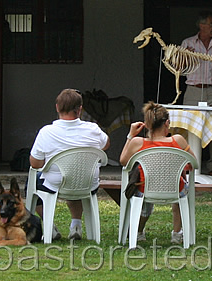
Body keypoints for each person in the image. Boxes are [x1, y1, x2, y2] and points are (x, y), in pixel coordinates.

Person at [29, 88, 110, 241]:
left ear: (57, 107)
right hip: (87, 183)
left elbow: (35, 163)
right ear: (80, 109)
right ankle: (76, 225)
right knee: (75, 178)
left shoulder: (46, 132)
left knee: (32, 181)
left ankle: (50, 226)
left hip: (56, 184)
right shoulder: (92, 128)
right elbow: (105, 145)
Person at [120, 101, 195, 244]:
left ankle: (139, 231)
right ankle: (177, 233)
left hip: (144, 189)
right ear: (167, 123)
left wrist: (130, 136)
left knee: (143, 198)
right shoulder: (178, 140)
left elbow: (123, 161)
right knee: (180, 190)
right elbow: (193, 163)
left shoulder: (137, 142)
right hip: (175, 189)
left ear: (146, 124)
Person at [180, 11, 212, 175]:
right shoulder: (187, 43)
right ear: (202, 26)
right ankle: (188, 161)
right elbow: (179, 68)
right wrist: (185, 56)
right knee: (189, 124)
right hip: (194, 89)